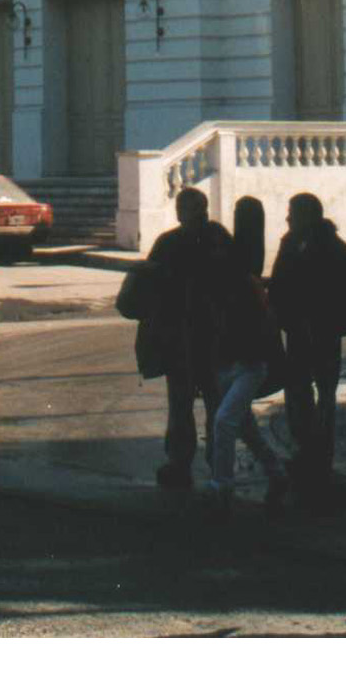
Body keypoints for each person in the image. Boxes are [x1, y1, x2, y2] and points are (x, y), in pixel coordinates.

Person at [180, 196, 289, 513]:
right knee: (244, 426)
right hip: (224, 363)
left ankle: (221, 485)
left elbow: (263, 326)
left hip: (248, 363)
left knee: (225, 421)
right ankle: (276, 472)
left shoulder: (244, 283)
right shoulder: (207, 287)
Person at [266, 191, 346, 508]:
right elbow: (280, 284)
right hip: (299, 331)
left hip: (322, 332)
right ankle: (307, 447)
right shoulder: (291, 244)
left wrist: (333, 322)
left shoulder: (335, 250)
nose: (288, 218)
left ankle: (318, 451)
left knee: (322, 392)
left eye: (292, 212)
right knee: (301, 392)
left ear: (307, 216)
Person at [132, 189, 221, 492]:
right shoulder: (217, 239)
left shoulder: (171, 242)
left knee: (183, 403)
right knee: (210, 402)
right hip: (205, 335)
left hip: (188, 335)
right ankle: (215, 464)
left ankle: (182, 464)